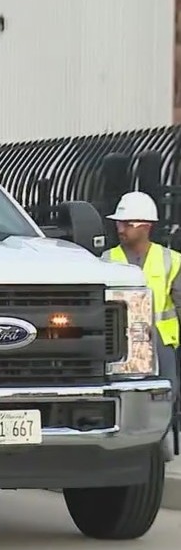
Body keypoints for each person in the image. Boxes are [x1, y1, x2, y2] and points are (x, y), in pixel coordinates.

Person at [101, 191, 181, 451]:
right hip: (120, 342)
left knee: (163, 395)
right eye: (119, 223)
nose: (120, 229)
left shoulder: (172, 261)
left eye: (126, 223)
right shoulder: (107, 260)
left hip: (160, 341)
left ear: (145, 226)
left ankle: (160, 440)